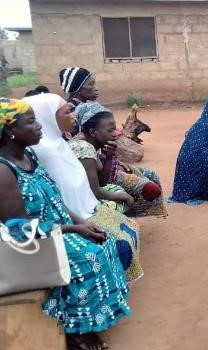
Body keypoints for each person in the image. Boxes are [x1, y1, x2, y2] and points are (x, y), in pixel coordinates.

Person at [0, 97, 130, 350]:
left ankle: (92, 316)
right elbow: (19, 229)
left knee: (105, 241)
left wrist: (82, 223)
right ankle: (76, 329)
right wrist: (72, 230)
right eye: (31, 122)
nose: (39, 126)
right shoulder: (4, 171)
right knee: (87, 256)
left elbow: (55, 201)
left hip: (57, 230)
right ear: (11, 131)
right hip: (30, 245)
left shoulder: (30, 155)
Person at [23, 93, 142, 282]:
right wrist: (77, 224)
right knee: (117, 241)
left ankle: (116, 282)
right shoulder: (42, 151)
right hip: (66, 218)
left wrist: (109, 157)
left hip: (81, 209)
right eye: (67, 112)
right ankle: (111, 283)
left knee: (128, 226)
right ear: (48, 117)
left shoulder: (58, 143)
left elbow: (89, 184)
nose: (73, 116)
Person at [70, 102, 167, 217]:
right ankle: (122, 223)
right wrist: (123, 196)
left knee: (151, 178)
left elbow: (102, 181)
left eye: (114, 129)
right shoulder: (84, 148)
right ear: (93, 132)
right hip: (80, 201)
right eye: (109, 130)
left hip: (93, 191)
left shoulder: (94, 145)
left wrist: (110, 155)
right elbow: (95, 191)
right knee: (139, 192)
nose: (115, 134)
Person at [59, 67, 98, 140]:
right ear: (78, 89)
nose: (96, 88)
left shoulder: (73, 105)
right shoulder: (73, 110)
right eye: (91, 84)